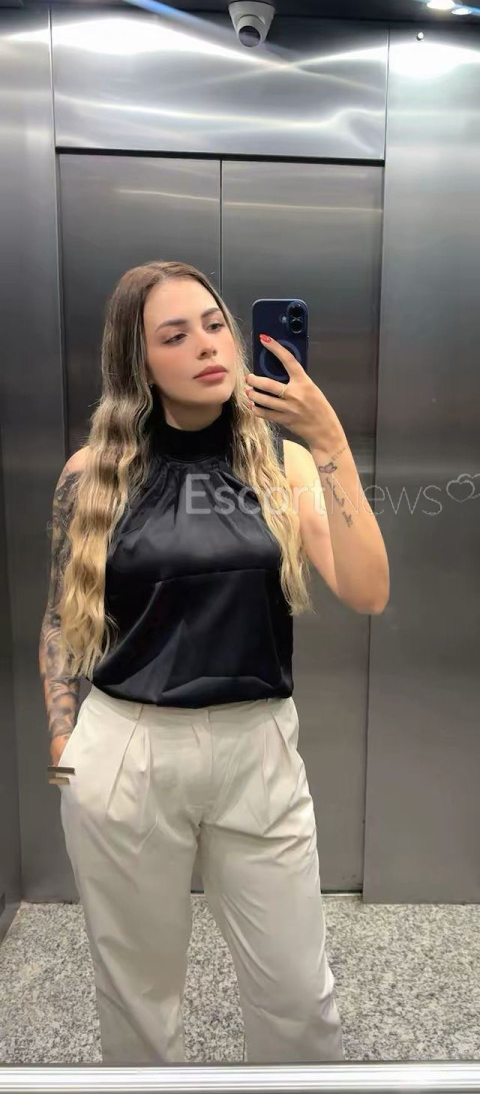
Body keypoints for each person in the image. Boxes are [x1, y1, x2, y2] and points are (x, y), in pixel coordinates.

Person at [38, 259, 390, 1066]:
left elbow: (368, 589)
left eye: (213, 324)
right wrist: (65, 751)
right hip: (125, 750)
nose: (205, 345)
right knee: (136, 995)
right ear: (138, 362)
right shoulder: (90, 476)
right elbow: (60, 620)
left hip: (256, 747)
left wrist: (328, 440)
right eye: (174, 335)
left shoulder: (281, 464)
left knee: (298, 997)